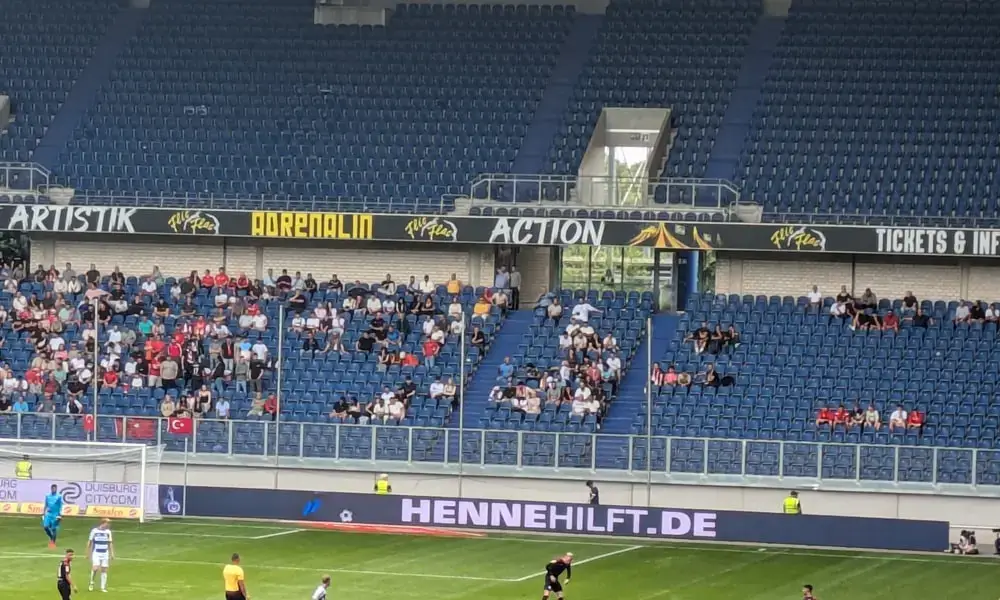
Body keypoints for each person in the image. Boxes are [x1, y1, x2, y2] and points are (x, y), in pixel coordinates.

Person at [87, 518, 114, 592]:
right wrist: (88, 553)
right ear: (103, 523)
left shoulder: (108, 532)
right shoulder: (94, 531)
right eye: (107, 523)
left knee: (104, 570)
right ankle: (91, 582)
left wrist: (112, 553)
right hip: (96, 552)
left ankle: (103, 587)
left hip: (105, 553)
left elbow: (110, 543)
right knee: (95, 568)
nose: (109, 524)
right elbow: (89, 542)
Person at [43, 484, 64, 548]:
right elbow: (46, 504)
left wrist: (60, 514)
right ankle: (51, 537)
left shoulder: (59, 497)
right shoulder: (48, 496)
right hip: (49, 514)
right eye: (53, 488)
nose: (54, 490)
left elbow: (60, 505)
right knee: (45, 527)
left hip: (56, 514)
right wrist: (43, 512)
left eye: (55, 489)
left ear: (56, 489)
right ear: (51, 489)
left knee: (53, 529)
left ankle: (53, 543)